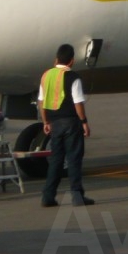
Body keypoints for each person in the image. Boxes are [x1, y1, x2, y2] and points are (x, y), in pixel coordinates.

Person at [38, 43, 93, 207]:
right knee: (74, 158)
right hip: (71, 122)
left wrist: (45, 121)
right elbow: (78, 103)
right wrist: (84, 122)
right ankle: (77, 195)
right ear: (71, 61)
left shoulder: (46, 75)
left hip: (54, 123)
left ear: (56, 59)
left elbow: (41, 101)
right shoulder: (73, 77)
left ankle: (48, 196)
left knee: (56, 160)